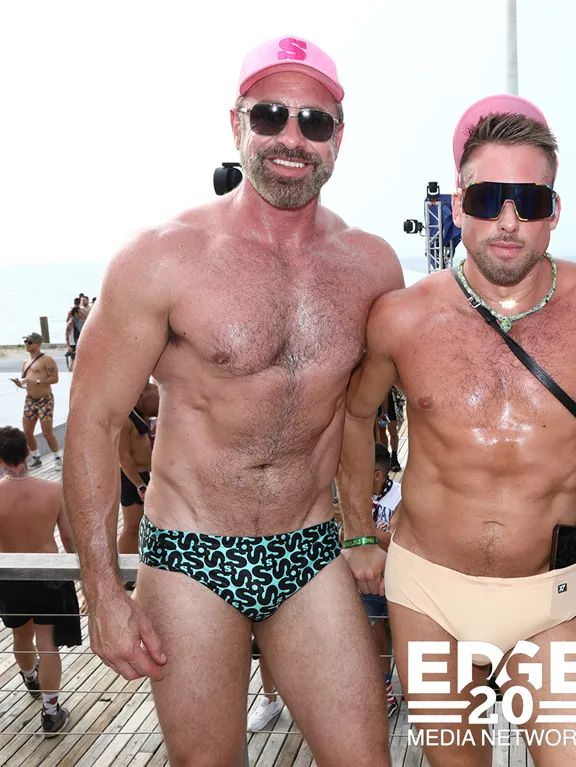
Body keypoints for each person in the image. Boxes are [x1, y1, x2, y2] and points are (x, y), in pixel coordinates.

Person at [63, 35, 401, 766]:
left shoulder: (372, 266)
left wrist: (360, 531)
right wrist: (102, 591)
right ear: (236, 124)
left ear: (338, 138)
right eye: (270, 115)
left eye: (314, 122)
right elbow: (91, 421)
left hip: (308, 549)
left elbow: (362, 412)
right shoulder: (161, 256)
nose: (292, 138)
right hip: (190, 552)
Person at [338, 94, 576, 766]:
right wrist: (358, 532)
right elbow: (355, 415)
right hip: (427, 598)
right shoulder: (402, 318)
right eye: (487, 199)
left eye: (529, 202)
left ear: (554, 211)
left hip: (550, 600)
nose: (508, 221)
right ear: (459, 206)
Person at [0, 426, 82, 737]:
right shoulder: (53, 491)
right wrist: (83, 579)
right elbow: (69, 540)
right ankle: (50, 713)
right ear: (26, 453)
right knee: (48, 644)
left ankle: (30, 678)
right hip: (49, 575)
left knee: (20, 636)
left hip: (10, 575)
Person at [367, 443, 403, 717]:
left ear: (377, 475)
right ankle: (386, 693)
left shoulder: (401, 497)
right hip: (368, 582)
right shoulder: (355, 495)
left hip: (400, 581)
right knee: (375, 636)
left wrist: (359, 525)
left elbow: (397, 542)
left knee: (404, 640)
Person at [118, 382, 159, 571]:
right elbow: (123, 457)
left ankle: (137, 565)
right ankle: (123, 572)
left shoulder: (138, 416)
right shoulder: (124, 420)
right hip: (131, 478)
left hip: (143, 474)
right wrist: (139, 485)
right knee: (131, 526)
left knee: (142, 524)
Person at [11, 333, 61, 468]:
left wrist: (38, 381)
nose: (26, 344)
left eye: (29, 342)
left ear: (37, 343)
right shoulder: (25, 363)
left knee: (47, 432)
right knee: (27, 432)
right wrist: (19, 383)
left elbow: (55, 378)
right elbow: (26, 381)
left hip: (45, 400)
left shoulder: (47, 360)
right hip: (30, 400)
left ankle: (57, 458)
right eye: (25, 342)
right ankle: (35, 456)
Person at [66, 307, 83, 372]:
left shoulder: (79, 321)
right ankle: (71, 374)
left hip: (79, 344)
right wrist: (68, 346)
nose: (81, 313)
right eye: (79, 312)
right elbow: (66, 335)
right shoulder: (71, 322)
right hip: (73, 345)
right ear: (75, 314)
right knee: (73, 362)